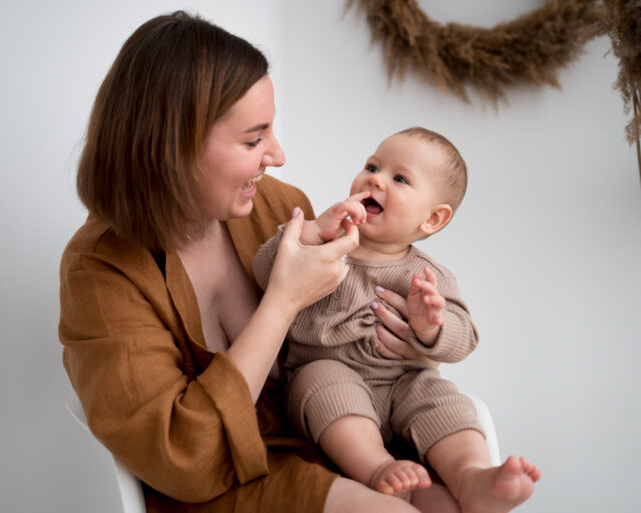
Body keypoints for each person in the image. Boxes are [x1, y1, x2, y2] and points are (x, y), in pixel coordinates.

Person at [58, 11, 439, 513]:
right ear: (174, 148)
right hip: (219, 483)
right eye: (253, 139)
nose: (277, 154)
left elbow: (352, 352)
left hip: (326, 440)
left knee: (454, 500)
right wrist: (283, 300)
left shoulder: (279, 208)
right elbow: (184, 458)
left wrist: (411, 335)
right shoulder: (101, 271)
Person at [252, 127, 541, 512]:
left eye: (399, 178)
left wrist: (431, 325)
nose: (375, 178)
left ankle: (471, 476)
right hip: (331, 373)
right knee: (321, 383)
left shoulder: (428, 276)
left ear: (432, 219)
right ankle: (378, 468)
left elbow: (464, 339)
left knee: (445, 401)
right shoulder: (325, 246)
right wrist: (308, 233)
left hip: (406, 381)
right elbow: (264, 270)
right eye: (372, 166)